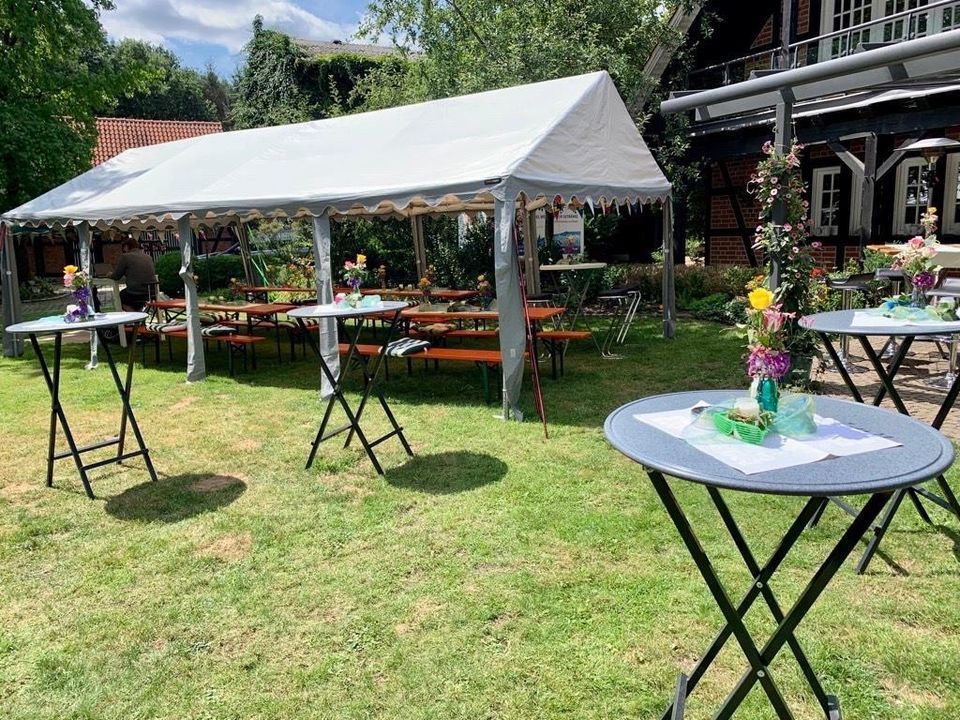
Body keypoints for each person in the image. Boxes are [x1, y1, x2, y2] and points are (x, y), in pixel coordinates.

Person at [110, 237, 157, 311]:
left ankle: (135, 315)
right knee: (134, 299)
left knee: (121, 296)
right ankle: (139, 313)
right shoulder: (148, 257)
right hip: (151, 292)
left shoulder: (125, 257)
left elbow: (116, 276)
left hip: (135, 292)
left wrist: (109, 275)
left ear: (126, 246)